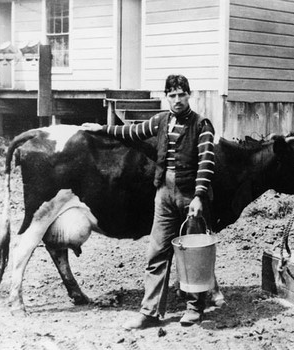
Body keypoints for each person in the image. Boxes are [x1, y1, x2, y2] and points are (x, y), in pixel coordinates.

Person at [81, 74, 215, 329]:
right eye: (172, 95)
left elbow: (207, 162)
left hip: (190, 196)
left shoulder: (202, 124)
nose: (177, 100)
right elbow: (133, 131)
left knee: (193, 252)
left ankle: (194, 308)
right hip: (164, 192)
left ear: (189, 95)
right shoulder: (161, 120)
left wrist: (199, 196)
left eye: (181, 95)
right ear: (167, 97)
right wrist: (103, 129)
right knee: (157, 252)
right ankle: (150, 311)